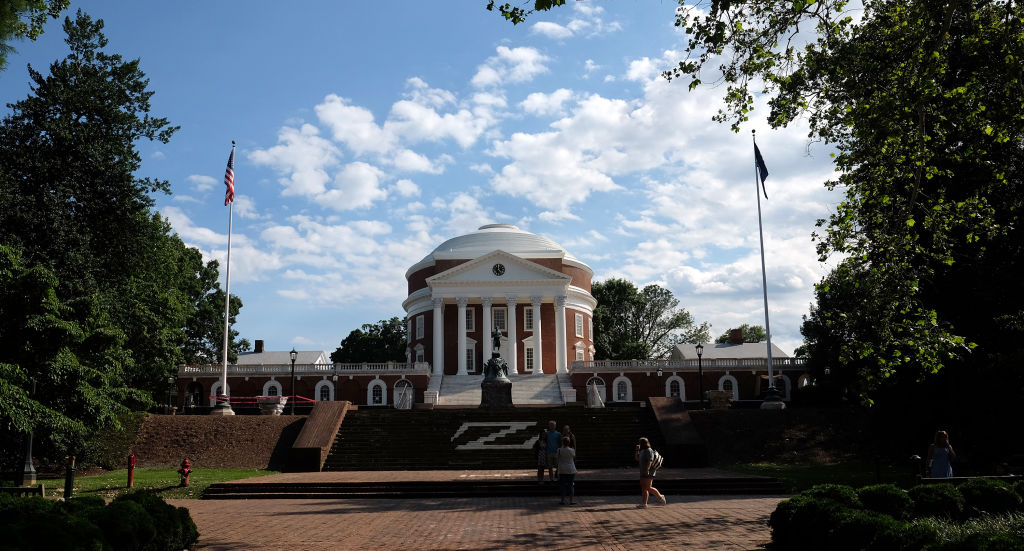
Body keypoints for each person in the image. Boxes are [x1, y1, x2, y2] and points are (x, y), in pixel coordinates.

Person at [634, 437, 666, 508]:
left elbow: (650, 460)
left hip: (649, 472)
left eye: (640, 443)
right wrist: (637, 450)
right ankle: (644, 504)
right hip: (642, 471)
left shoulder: (649, 450)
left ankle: (661, 497)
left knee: (648, 487)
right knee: (643, 487)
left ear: (643, 443)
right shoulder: (642, 451)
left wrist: (647, 470)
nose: (639, 444)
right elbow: (637, 458)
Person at [557, 436, 578, 505]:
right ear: (569, 443)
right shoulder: (572, 450)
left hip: (562, 469)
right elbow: (574, 456)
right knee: (571, 485)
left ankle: (562, 500)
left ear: (562, 442)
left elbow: (557, 458)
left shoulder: (559, 450)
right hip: (570, 469)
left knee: (562, 485)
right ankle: (571, 500)